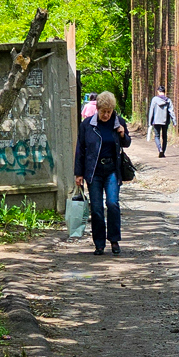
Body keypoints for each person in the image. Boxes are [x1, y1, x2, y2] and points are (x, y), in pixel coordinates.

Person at [74, 91, 131, 255]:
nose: (106, 115)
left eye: (109, 111)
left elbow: (126, 143)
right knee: (97, 208)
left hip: (112, 170)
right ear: (97, 109)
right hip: (93, 172)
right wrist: (78, 173)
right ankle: (99, 244)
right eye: (103, 111)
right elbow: (80, 150)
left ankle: (114, 240)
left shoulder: (118, 122)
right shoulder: (87, 125)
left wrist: (122, 133)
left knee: (113, 204)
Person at [147, 86, 177, 158]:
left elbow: (151, 111)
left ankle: (159, 149)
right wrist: (174, 121)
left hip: (156, 121)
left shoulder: (154, 99)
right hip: (165, 121)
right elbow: (171, 111)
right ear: (164, 92)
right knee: (164, 136)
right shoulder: (168, 100)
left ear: (158, 91)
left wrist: (150, 122)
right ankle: (163, 151)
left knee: (157, 136)